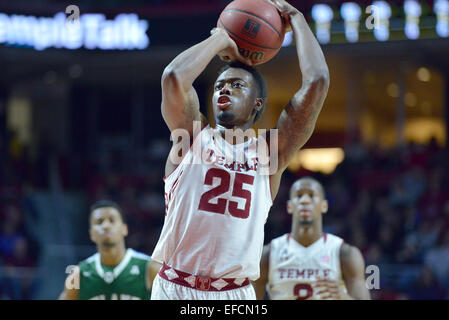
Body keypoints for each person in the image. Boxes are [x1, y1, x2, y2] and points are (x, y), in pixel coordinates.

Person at [151, 0, 330, 300]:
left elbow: (318, 81)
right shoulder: (191, 136)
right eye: (220, 85)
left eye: (236, 85)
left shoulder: (271, 153)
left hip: (234, 293)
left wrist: (296, 19)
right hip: (174, 287)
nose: (224, 89)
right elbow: (173, 77)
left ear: (257, 104)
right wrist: (220, 38)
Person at [253, 177, 371, 300]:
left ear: (324, 206)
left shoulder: (345, 254)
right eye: (298, 196)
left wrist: (342, 297)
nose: (304, 201)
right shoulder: (268, 254)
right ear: (289, 206)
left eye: (311, 195)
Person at [59, 200, 152, 300]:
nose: (106, 226)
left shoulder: (149, 267)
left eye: (112, 220)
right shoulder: (77, 275)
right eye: (99, 222)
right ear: (91, 234)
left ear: (124, 229)